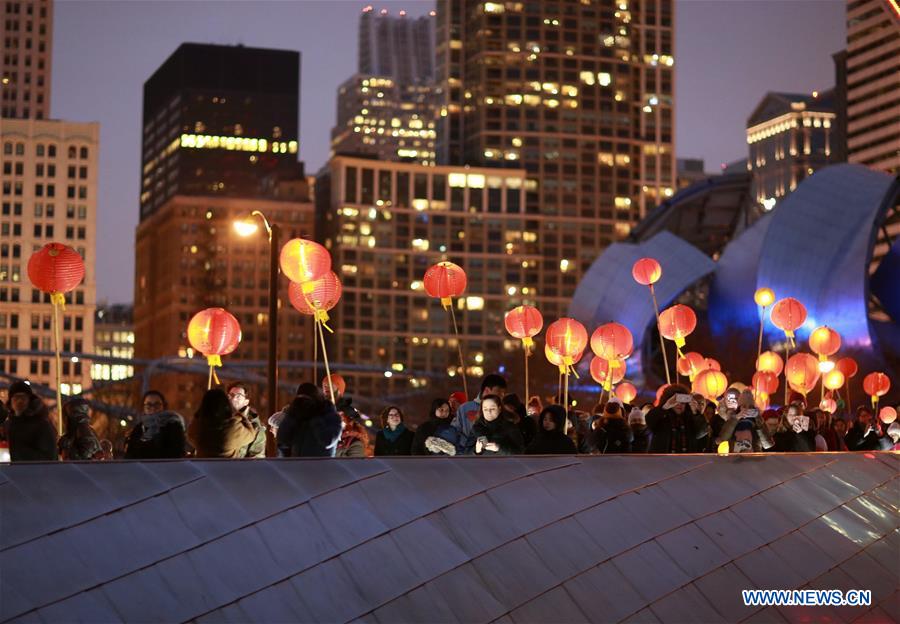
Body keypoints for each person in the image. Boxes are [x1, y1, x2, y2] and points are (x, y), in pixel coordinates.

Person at [276, 383, 342, 457]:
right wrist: (292, 414)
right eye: (301, 400)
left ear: (317, 400)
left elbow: (328, 440)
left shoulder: (330, 416)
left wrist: (315, 416)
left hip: (322, 466)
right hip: (298, 466)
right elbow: (282, 439)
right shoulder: (299, 415)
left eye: (307, 400)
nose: (305, 404)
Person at [187, 389, 257, 458]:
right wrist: (241, 416)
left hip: (202, 467)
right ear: (226, 404)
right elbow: (251, 435)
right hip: (226, 467)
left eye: (238, 396)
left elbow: (190, 436)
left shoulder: (198, 426)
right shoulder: (232, 427)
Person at [3, 380, 57, 462]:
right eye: (16, 397)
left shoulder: (41, 425)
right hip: (14, 471)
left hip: (34, 471)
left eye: (23, 397)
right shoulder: (8, 424)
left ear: (30, 400)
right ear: (10, 401)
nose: (19, 401)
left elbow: (49, 456)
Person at [453, 374, 507, 454]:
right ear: (487, 390)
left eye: (503, 395)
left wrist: (499, 447)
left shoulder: (503, 410)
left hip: (496, 459)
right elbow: (455, 432)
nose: (501, 398)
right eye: (499, 394)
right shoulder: (465, 408)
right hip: (468, 458)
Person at [645, 384, 708, 453]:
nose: (679, 404)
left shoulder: (691, 417)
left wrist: (695, 413)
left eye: (683, 402)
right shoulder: (662, 416)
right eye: (676, 401)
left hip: (687, 460)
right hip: (663, 460)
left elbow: (701, 432)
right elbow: (649, 421)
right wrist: (665, 407)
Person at [125, 390, 187, 459]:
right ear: (143, 407)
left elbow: (176, 453)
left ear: (164, 406)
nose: (153, 408)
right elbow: (129, 455)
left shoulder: (173, 426)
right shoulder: (138, 429)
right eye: (148, 405)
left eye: (157, 404)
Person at [226, 382, 266, 458]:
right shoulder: (218, 419)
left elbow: (256, 459)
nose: (233, 398)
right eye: (231, 395)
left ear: (246, 402)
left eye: (238, 396)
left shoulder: (255, 427)